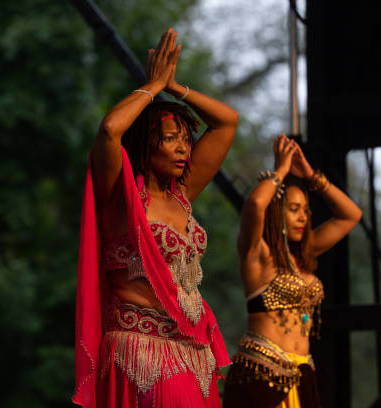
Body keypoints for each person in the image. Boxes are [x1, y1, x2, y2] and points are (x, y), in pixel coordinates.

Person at [73, 28, 239, 408]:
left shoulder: (183, 194)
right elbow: (111, 129)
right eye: (171, 138)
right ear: (148, 144)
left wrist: (175, 87)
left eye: (186, 138)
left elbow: (227, 122)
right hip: (142, 350)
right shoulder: (121, 197)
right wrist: (151, 87)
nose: (184, 147)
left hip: (194, 351)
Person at [223, 135, 362, 407]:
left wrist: (312, 177)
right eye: (294, 209)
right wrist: (281, 171)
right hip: (261, 374)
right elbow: (254, 205)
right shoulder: (257, 254)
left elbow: (350, 215)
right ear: (276, 213)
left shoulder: (304, 256)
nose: (304, 217)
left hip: (303, 375)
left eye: (307, 211)